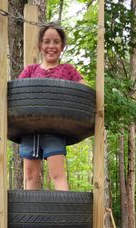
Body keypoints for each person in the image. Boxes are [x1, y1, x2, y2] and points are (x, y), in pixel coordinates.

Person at [18, 23, 86, 190]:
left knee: (57, 174)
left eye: (56, 42)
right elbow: (18, 93)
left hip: (55, 129)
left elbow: (85, 90)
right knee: (30, 176)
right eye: (47, 41)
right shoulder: (30, 70)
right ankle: (31, 215)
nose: (51, 46)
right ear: (41, 45)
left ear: (62, 46)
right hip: (31, 130)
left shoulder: (67, 70)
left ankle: (63, 215)